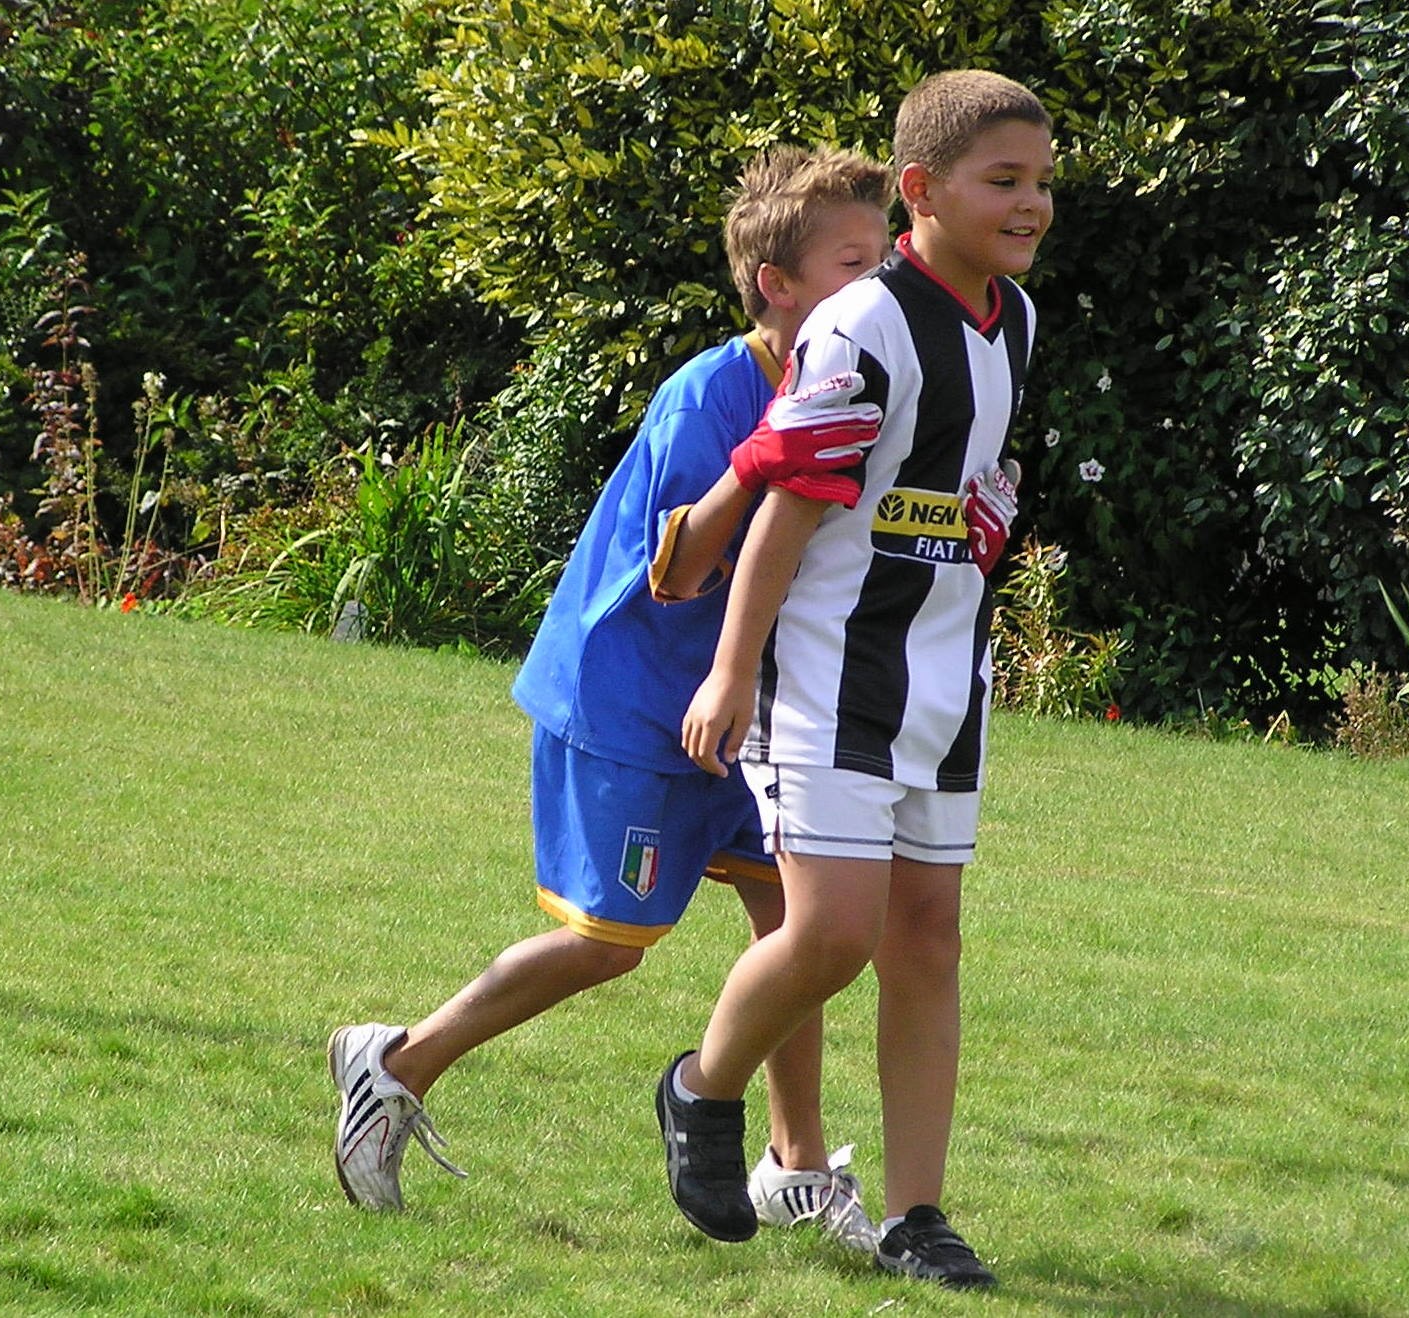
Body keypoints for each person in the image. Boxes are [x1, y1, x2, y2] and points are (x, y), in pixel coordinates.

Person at [327, 145, 896, 1253]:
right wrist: (760, 466)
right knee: (610, 943)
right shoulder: (714, 394)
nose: (874, 286)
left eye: (883, 262)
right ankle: (394, 1063)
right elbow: (677, 567)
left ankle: (794, 1164)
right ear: (777, 284)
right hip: (637, 706)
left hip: (757, 712)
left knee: (796, 925)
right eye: (852, 263)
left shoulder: (855, 379)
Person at [659, 70, 1055, 1291]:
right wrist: (731, 670)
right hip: (830, 678)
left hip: (946, 683)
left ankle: (915, 1215)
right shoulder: (860, 323)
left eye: (1042, 183)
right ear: (921, 190)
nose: (1031, 204)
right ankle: (701, 1089)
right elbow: (785, 508)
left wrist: (983, 522)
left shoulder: (1015, 320)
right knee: (831, 932)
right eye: (1003, 181)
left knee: (926, 939)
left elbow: (958, 483)